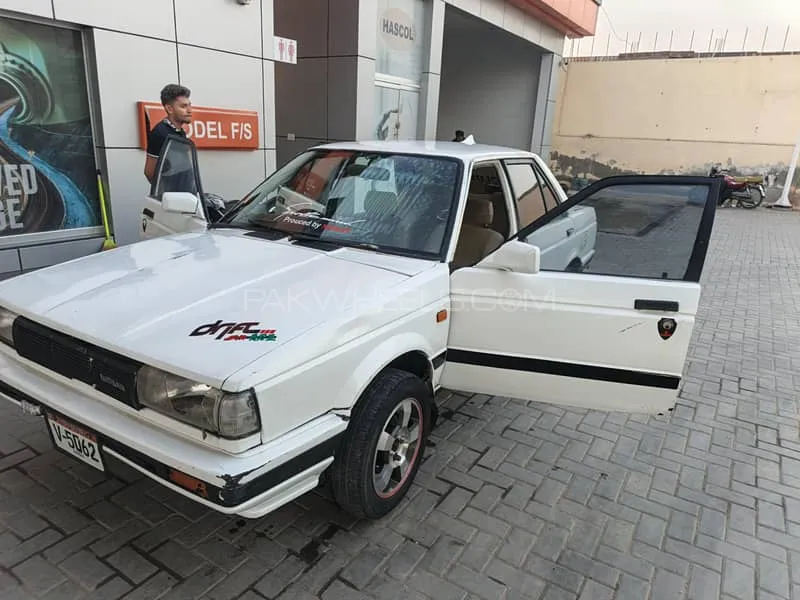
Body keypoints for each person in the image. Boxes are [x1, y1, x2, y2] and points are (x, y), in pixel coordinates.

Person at [143, 84, 193, 183]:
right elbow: (149, 172)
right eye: (183, 106)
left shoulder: (180, 132)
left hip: (187, 194)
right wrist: (166, 191)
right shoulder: (160, 133)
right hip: (172, 196)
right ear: (169, 109)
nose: (190, 110)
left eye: (189, 105)